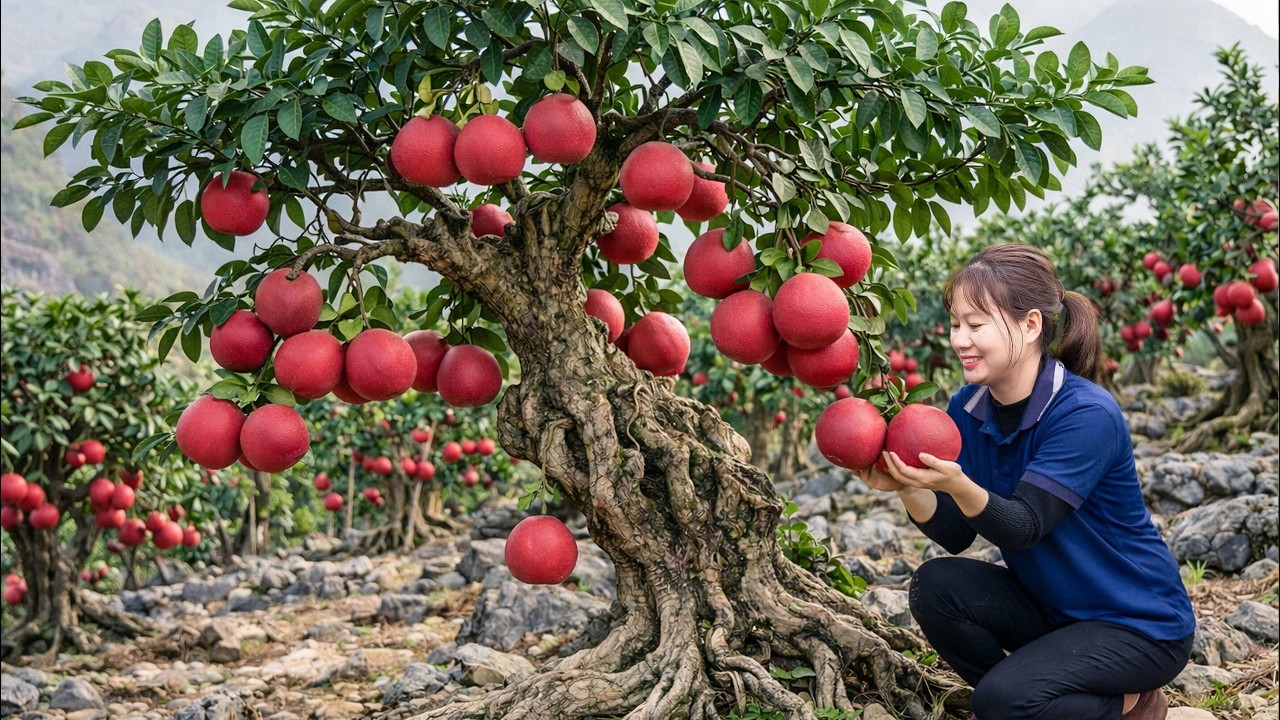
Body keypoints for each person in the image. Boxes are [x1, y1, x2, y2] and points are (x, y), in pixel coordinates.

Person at [863, 244, 1195, 720]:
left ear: (1031, 325)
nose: (960, 339)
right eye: (956, 323)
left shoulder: (1085, 414)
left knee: (1000, 701)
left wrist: (958, 484)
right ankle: (1046, 698)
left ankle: (1128, 704)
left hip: (1139, 623)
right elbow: (958, 536)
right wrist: (907, 485)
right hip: (1057, 609)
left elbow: (1023, 524)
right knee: (936, 586)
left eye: (976, 325)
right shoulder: (967, 408)